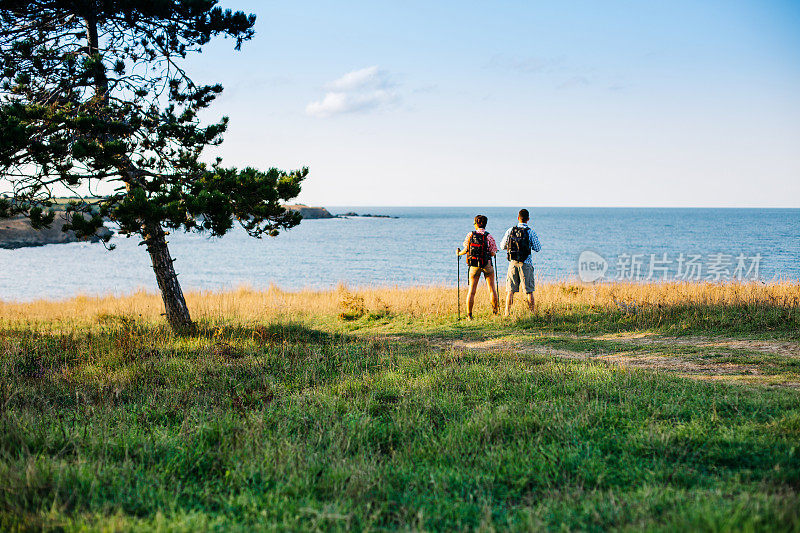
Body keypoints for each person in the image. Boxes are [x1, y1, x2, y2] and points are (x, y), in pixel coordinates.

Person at [500, 208, 541, 315]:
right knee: (529, 291)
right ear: (528, 219)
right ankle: (532, 314)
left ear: (518, 218)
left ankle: (507, 314)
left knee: (510, 291)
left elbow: (502, 246)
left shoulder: (510, 230)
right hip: (526, 263)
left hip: (512, 263)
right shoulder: (530, 232)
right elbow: (537, 248)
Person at [457, 214, 499, 319]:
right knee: (492, 289)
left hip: (474, 265)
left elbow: (466, 249)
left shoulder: (470, 235)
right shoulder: (489, 236)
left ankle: (469, 315)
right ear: (485, 224)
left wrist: (458, 253)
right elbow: (493, 253)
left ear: (476, 224)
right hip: (487, 264)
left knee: (471, 291)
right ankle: (495, 313)